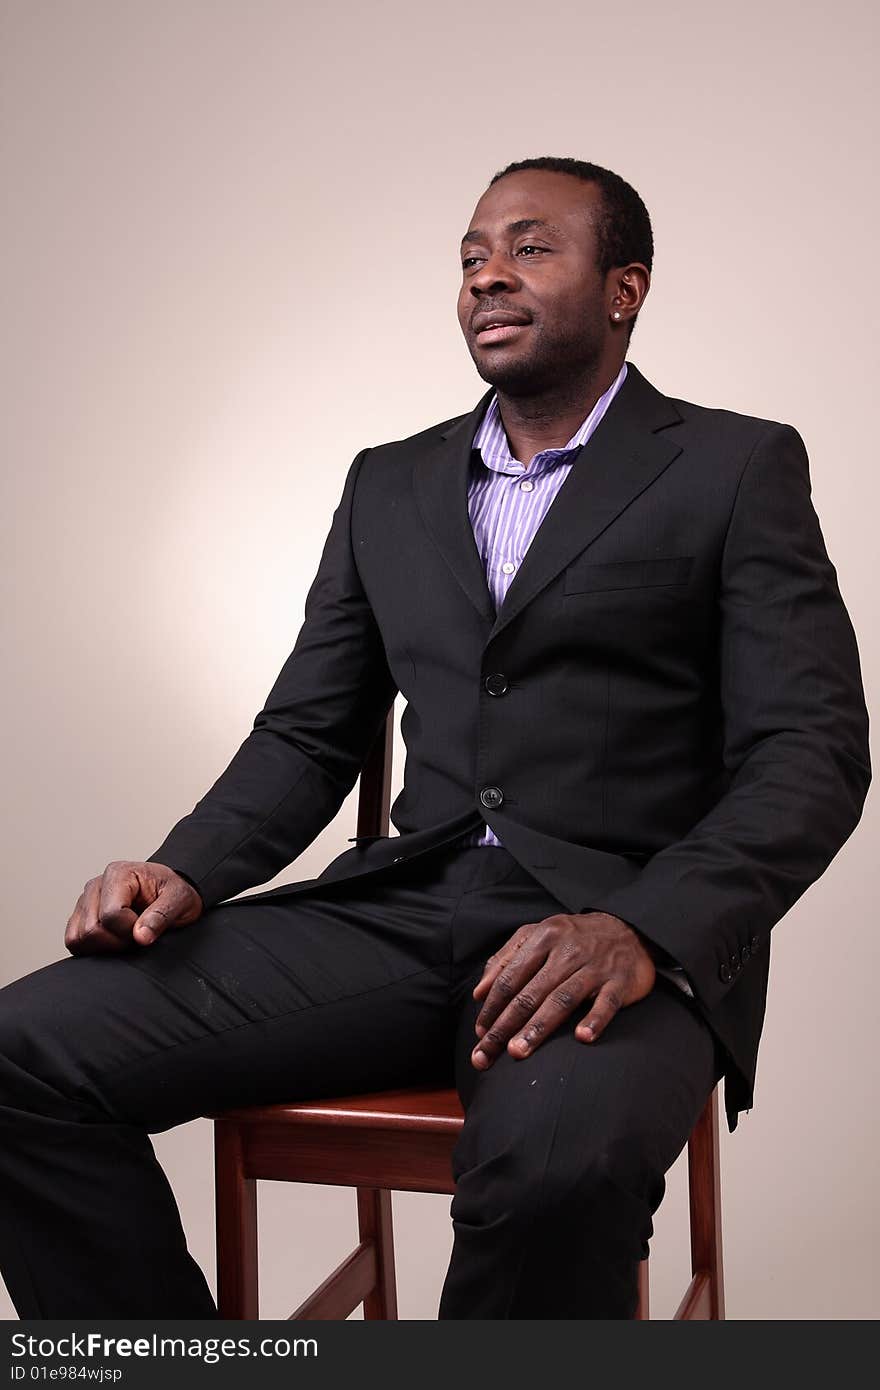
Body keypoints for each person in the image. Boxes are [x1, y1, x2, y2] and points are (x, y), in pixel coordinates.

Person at [0, 156, 870, 1320]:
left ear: (626, 287)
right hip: (400, 915)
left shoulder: (732, 465)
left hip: (612, 934)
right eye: (469, 257)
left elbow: (811, 748)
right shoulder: (389, 483)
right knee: (19, 1053)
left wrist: (644, 928)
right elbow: (307, 734)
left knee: (555, 1175)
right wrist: (181, 870)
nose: (487, 277)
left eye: (528, 246)